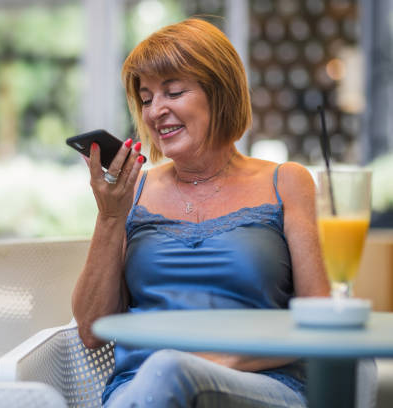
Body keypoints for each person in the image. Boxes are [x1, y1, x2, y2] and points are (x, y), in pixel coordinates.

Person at [71, 18, 333, 407]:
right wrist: (110, 217)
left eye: (173, 92)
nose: (155, 111)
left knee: (172, 370)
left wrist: (217, 361)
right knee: (163, 374)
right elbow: (92, 331)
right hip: (139, 387)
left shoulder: (287, 182)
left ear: (219, 93)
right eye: (146, 99)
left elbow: (320, 322)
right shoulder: (133, 190)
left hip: (258, 386)